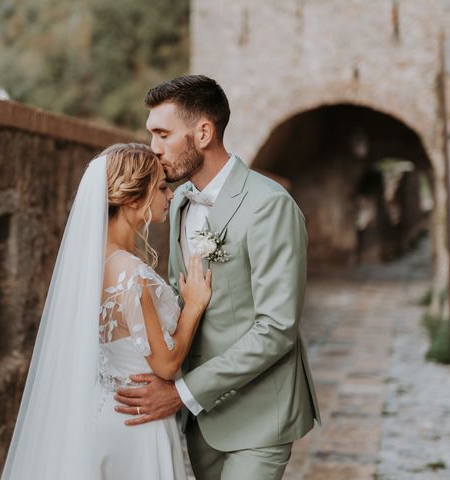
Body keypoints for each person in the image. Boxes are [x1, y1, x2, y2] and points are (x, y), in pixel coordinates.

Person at [114, 75, 321, 480]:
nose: (153, 148)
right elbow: (178, 299)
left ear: (203, 132)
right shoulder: (177, 205)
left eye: (162, 134)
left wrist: (182, 394)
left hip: (259, 414)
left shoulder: (269, 206)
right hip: (200, 420)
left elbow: (277, 328)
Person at [1, 143, 211, 479]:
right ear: (131, 199)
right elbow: (167, 365)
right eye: (159, 188)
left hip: (100, 416)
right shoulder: (130, 272)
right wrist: (194, 307)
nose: (169, 195)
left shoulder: (87, 264)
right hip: (139, 422)